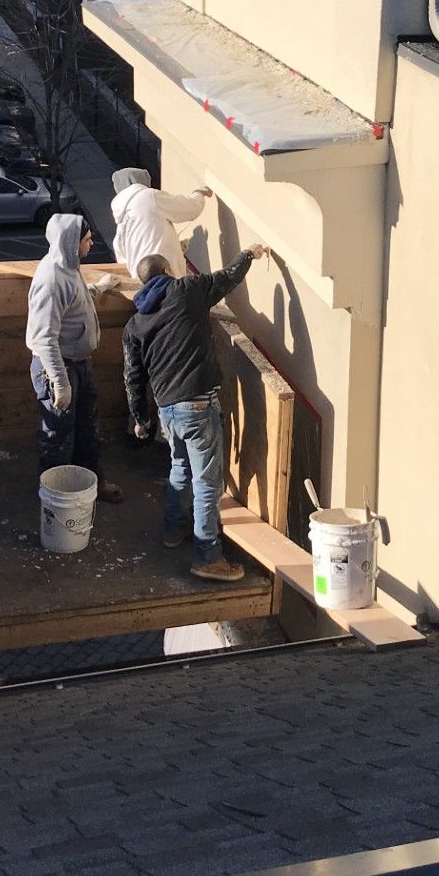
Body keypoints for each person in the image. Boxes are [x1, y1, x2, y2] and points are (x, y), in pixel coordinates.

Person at [122, 242, 270, 581]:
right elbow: (226, 279)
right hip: (197, 406)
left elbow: (132, 376)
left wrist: (141, 420)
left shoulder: (135, 325)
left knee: (179, 467)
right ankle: (208, 557)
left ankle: (173, 531)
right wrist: (248, 253)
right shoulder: (186, 290)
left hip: (167, 411)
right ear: (169, 272)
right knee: (207, 483)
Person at [26, 213, 123, 500]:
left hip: (77, 364)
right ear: (71, 243)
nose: (91, 244)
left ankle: (90, 484)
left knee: (87, 427)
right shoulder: (51, 279)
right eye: (87, 240)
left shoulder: (70, 268)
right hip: (57, 369)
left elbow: (75, 303)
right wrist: (60, 383)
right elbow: (43, 337)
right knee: (55, 435)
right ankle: (55, 496)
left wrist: (100, 288)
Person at [110, 167, 213, 281]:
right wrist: (199, 194)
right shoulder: (148, 197)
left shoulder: (122, 222)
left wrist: (174, 246)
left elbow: (125, 258)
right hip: (165, 279)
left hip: (142, 283)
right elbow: (188, 208)